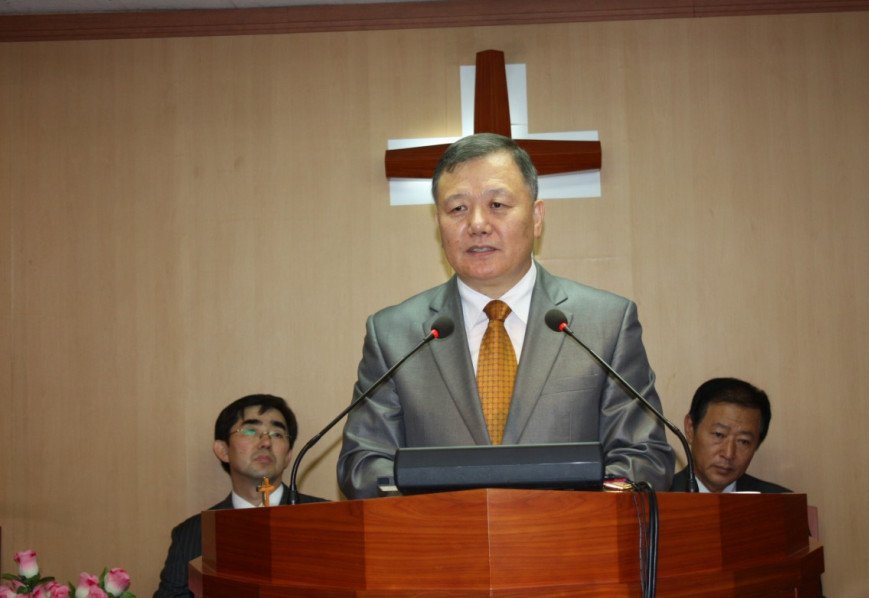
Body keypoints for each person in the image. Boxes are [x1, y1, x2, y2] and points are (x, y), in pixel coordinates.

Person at [337, 133, 674, 499]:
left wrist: (570, 515)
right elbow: (363, 463)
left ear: (537, 216)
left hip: (570, 533)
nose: (477, 224)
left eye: (497, 204)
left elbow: (643, 456)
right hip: (440, 535)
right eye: (458, 209)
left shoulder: (605, 324)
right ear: (438, 222)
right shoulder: (394, 334)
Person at [154, 394, 326, 598]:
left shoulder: (328, 520)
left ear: (288, 455)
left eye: (277, 434)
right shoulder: (192, 533)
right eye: (251, 430)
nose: (266, 442)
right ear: (223, 450)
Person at [670, 377, 790, 493]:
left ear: (757, 444)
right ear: (690, 428)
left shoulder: (781, 502)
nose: (728, 454)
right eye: (719, 434)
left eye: (743, 441)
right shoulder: (661, 497)